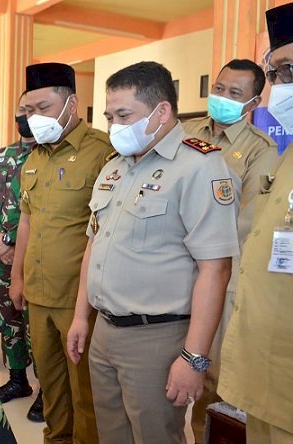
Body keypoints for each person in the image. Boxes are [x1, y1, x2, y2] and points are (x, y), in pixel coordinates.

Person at [66, 61, 239, 444]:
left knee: (155, 436)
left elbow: (216, 270)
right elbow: (94, 244)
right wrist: (82, 316)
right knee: (111, 435)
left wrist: (194, 358)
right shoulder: (115, 168)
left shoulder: (199, 166)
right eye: (110, 116)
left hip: (157, 338)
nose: (114, 126)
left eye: (124, 115)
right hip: (105, 331)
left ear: (162, 111)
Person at [9, 62, 111, 444]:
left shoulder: (102, 152)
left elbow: (104, 231)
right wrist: (18, 277)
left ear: (72, 104)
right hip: (37, 294)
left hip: (78, 298)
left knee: (84, 392)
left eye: (43, 107)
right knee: (50, 385)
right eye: (28, 110)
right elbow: (26, 222)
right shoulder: (34, 158)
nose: (34, 117)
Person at [182, 58, 281, 443]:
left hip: (220, 280)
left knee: (209, 380)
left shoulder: (260, 151)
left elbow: (247, 226)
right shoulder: (184, 133)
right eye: (219, 88)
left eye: (234, 93)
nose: (222, 97)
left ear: (253, 102)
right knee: (164, 378)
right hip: (174, 274)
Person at [219, 4, 293, 442]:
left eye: (288, 70)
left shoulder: (264, 150)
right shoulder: (287, 160)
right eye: (279, 73)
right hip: (267, 372)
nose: (281, 87)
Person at [0, 91, 42, 422]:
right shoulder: (3, 156)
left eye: (31, 110)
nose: (24, 116)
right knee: (6, 318)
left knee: (38, 326)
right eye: (21, 110)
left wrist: (11, 241)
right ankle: (18, 379)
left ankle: (47, 391)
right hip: (0, 256)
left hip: (34, 255)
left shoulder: (48, 156)